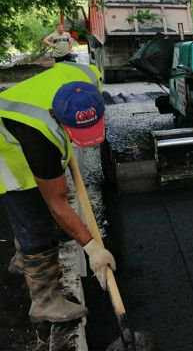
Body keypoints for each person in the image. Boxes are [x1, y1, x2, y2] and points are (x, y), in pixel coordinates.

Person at [0, 62, 115, 325]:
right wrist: (93, 249)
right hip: (5, 148)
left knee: (38, 211)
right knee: (33, 217)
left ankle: (24, 259)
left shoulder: (88, 77)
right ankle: (45, 301)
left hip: (19, 125)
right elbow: (57, 202)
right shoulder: (38, 136)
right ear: (56, 116)